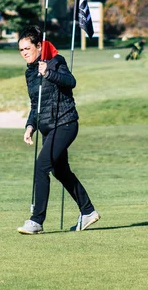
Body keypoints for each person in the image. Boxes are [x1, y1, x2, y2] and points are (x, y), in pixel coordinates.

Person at [17, 26, 99, 235]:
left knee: (41, 167)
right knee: (60, 171)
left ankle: (36, 221)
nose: (24, 53)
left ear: (38, 46)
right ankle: (88, 211)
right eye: (21, 50)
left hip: (65, 123)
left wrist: (49, 72)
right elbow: (36, 104)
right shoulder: (30, 73)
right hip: (47, 128)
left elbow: (70, 82)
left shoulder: (56, 62)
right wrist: (30, 126)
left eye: (28, 48)